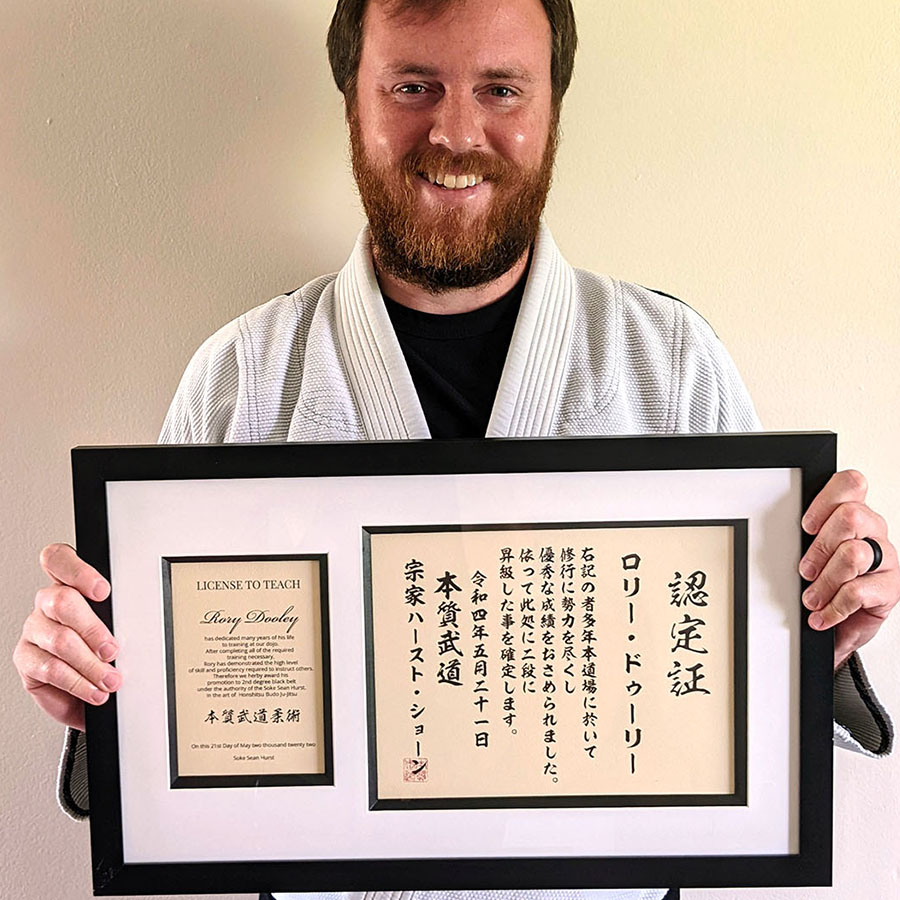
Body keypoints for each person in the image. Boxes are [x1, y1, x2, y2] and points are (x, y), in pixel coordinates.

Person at [13, 1, 896, 899]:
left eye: (501, 90)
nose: (457, 133)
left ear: (552, 110)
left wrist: (813, 632)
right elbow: (176, 734)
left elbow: (737, 707)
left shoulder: (667, 360)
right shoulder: (245, 374)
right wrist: (99, 694)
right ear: (352, 101)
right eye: (413, 86)